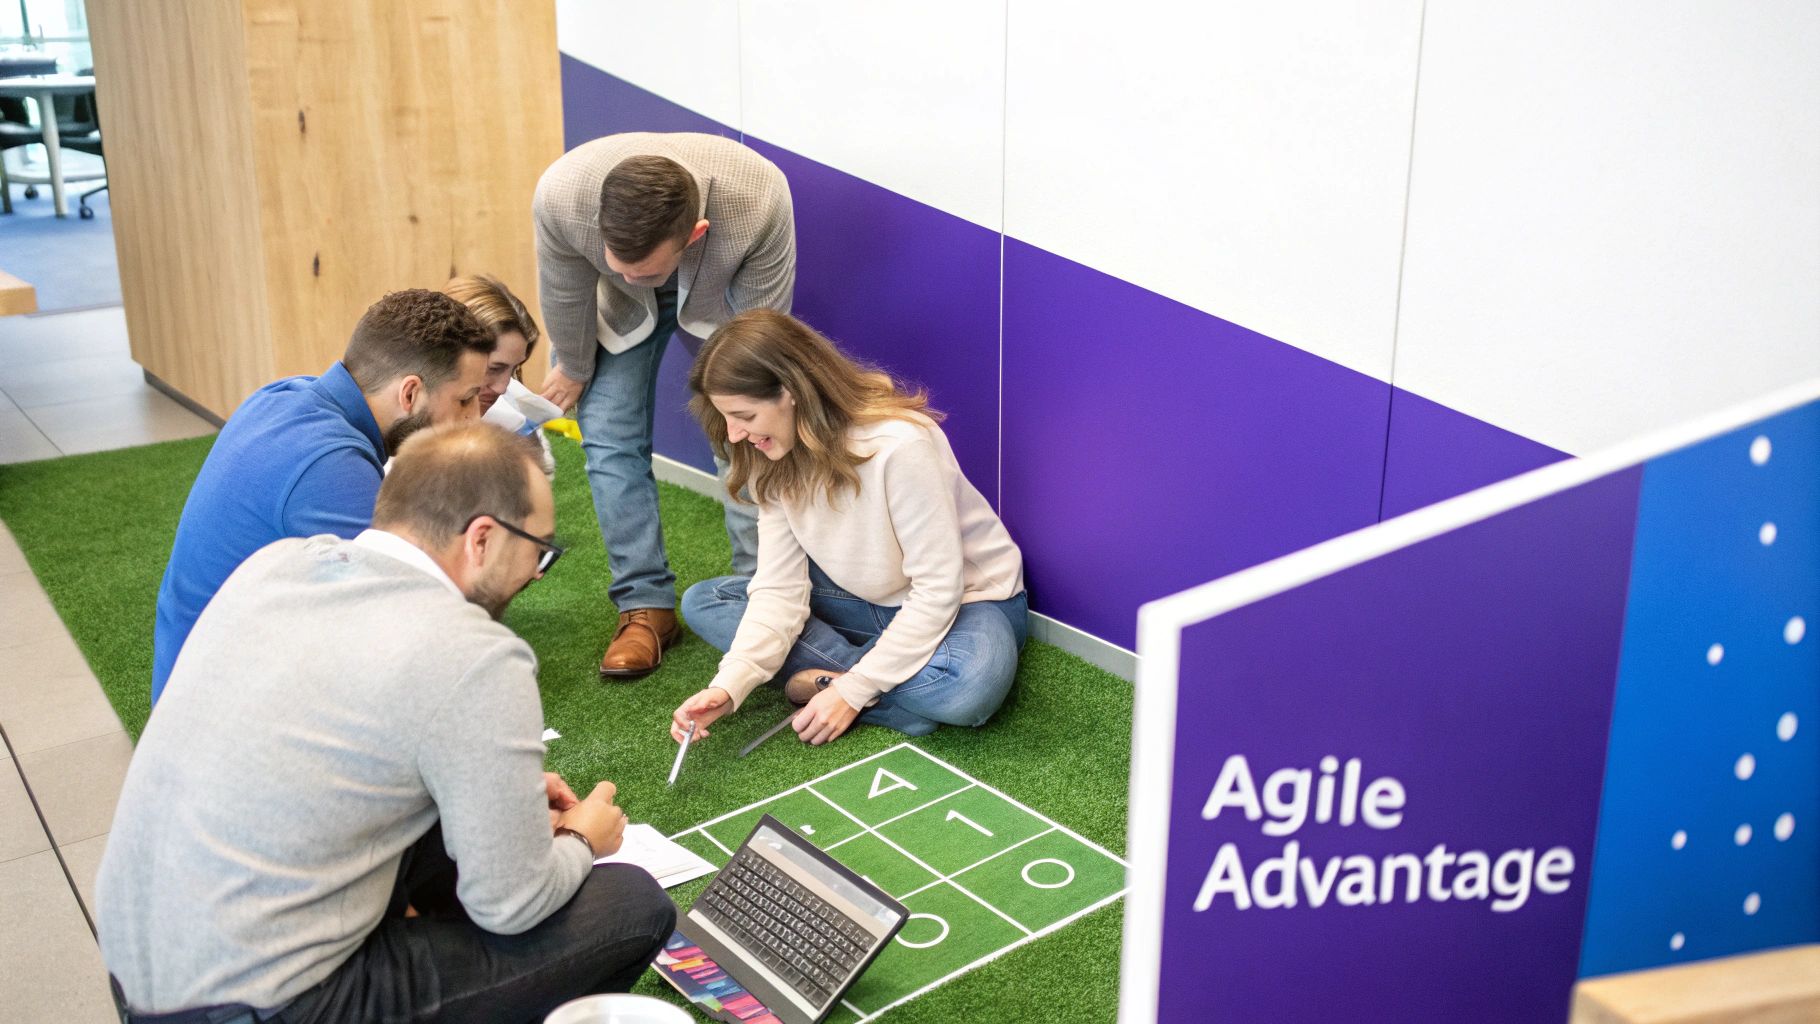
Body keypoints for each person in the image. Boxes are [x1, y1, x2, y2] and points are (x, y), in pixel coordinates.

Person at [98, 423, 677, 1023]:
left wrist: (501, 795)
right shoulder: (475, 653)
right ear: (482, 538)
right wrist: (584, 837)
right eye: (539, 551)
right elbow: (514, 904)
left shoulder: (274, 565)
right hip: (266, 1005)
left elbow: (348, 741)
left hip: (140, 969)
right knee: (631, 904)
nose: (535, 573)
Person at [669, 311, 1029, 746]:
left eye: (743, 414)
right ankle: (879, 686)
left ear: (791, 391)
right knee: (706, 601)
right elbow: (781, 590)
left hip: (969, 603)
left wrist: (852, 691)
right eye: (725, 416)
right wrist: (729, 687)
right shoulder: (770, 457)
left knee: (971, 687)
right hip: (864, 601)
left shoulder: (900, 445)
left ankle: (829, 681)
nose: (734, 433)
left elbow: (938, 590)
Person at [150, 289, 495, 703]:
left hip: (200, 684)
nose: (475, 416)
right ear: (409, 394)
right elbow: (408, 623)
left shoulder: (287, 394)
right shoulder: (331, 466)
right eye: (465, 398)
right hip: (222, 718)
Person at [534, 132, 795, 678]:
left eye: (645, 270)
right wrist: (574, 367)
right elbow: (565, 291)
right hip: (611, 312)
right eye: (620, 262)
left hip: (725, 302)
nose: (632, 275)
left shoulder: (761, 197)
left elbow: (762, 334)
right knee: (608, 438)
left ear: (695, 235)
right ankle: (645, 607)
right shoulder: (562, 197)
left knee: (745, 435)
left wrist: (748, 403)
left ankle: (759, 596)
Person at [443, 273, 561, 475]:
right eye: (494, 369)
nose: (502, 387)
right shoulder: (398, 426)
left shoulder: (516, 423)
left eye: (514, 370)